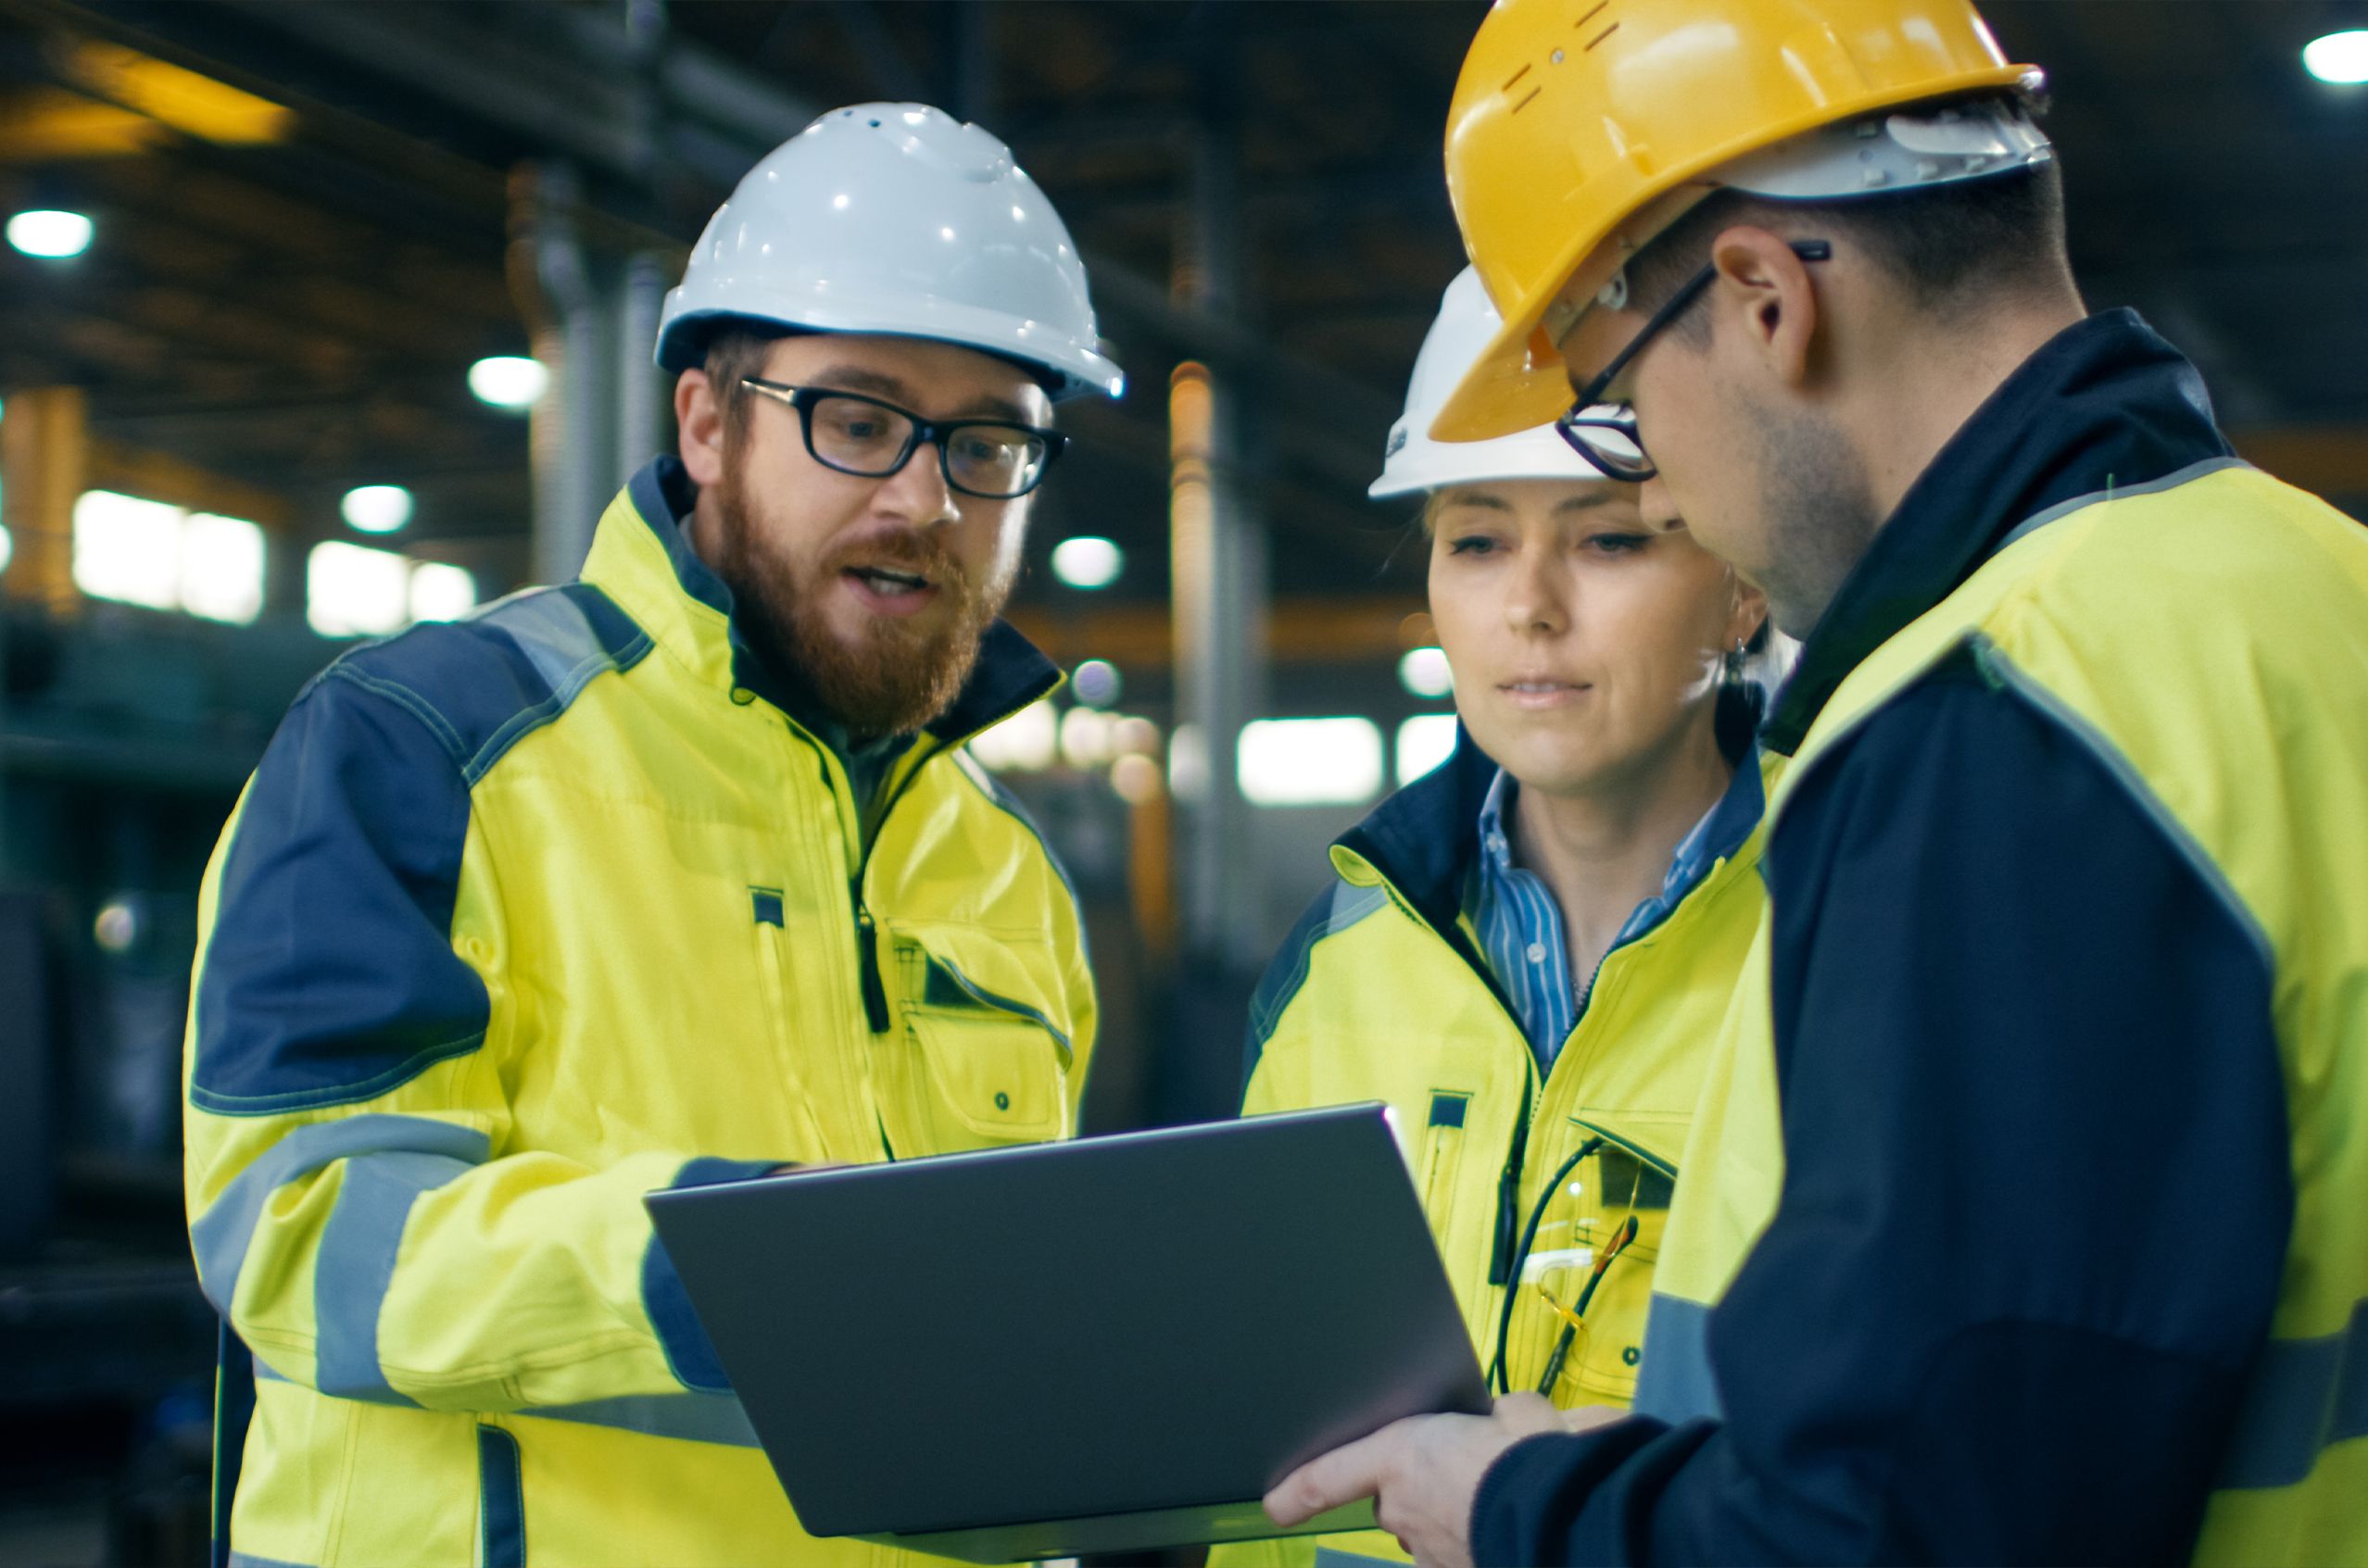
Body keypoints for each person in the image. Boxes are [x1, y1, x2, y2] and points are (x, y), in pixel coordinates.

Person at [1266, 2, 2368, 1564]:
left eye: (1619, 408)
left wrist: (1527, 1509)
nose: (1671, 482)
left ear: (1766, 298)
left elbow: (1924, 1525)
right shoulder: (2312, 585)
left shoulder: (1997, 715)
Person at [182, 103, 1118, 1568]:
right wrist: (734, 1263)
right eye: (859, 420)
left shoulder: (1007, 875)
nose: (925, 499)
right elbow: (300, 1242)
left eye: (990, 442)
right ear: (706, 421)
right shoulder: (423, 746)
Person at [1217, 266, 1772, 1568]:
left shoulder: (1852, 925)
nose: (1529, 603)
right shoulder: (1335, 960)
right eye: (1475, 541)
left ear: (1742, 587)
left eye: (1608, 537)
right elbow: (1262, 1465)